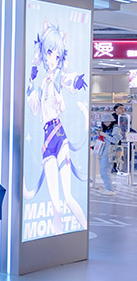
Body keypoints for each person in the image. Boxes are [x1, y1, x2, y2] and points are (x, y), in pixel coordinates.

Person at [25, 19, 89, 235]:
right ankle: (55, 242)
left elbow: (69, 81)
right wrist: (31, 82)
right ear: (44, 53)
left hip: (59, 135)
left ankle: (83, 232)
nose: (53, 59)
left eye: (57, 55)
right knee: (55, 205)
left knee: (68, 197)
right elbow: (34, 109)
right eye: (50, 53)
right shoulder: (42, 82)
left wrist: (77, 81)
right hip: (47, 140)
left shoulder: (59, 76)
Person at [96, 120, 119, 196]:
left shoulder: (116, 128)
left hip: (108, 153)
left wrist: (105, 135)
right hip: (102, 152)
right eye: (104, 122)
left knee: (105, 171)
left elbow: (115, 140)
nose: (105, 123)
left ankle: (110, 189)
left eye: (107, 121)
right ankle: (107, 188)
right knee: (103, 171)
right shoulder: (106, 128)